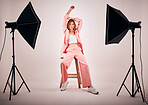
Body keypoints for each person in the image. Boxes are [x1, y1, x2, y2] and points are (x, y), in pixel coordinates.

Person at [60, 6, 99, 95]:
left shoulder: (77, 31)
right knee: (63, 63)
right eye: (70, 24)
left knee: (85, 65)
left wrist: (73, 19)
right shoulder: (65, 31)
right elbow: (64, 18)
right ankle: (65, 81)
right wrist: (70, 11)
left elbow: (81, 21)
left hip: (78, 49)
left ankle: (89, 86)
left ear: (74, 25)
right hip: (69, 50)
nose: (71, 26)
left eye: (73, 24)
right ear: (67, 25)